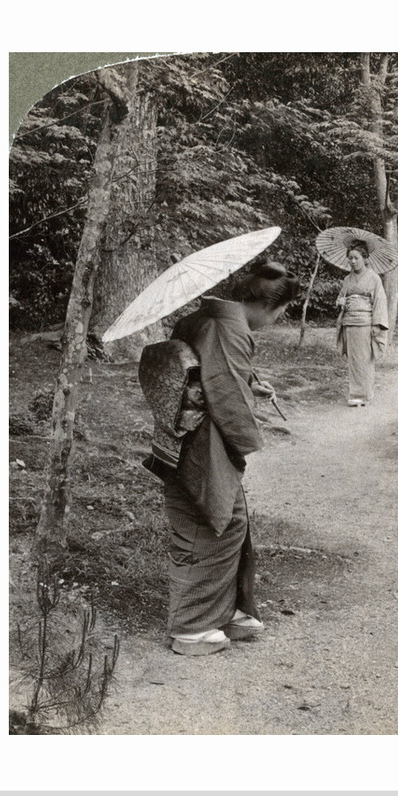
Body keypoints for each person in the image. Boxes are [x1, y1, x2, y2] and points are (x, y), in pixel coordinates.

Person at [139, 261, 300, 655]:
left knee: (229, 518)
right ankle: (191, 628)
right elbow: (224, 393)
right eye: (281, 312)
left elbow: (209, 373)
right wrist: (245, 439)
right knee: (210, 521)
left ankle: (225, 611)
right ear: (271, 306)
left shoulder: (203, 317)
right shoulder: (228, 328)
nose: (278, 319)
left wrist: (249, 383)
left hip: (184, 432)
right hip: (200, 437)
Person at [335, 241, 389, 407]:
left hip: (365, 323)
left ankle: (364, 394)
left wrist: (376, 324)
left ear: (365, 259)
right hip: (349, 322)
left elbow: (379, 301)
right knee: (353, 359)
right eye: (350, 258)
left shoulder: (374, 278)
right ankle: (355, 393)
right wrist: (340, 301)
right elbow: (340, 298)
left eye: (356, 258)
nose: (352, 261)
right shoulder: (347, 279)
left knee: (364, 359)